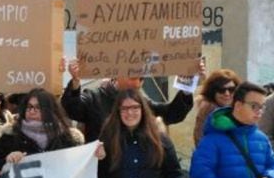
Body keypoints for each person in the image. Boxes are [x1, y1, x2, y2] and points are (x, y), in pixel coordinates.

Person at [61, 58, 200, 142]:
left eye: (142, 79)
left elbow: (171, 114)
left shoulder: (143, 102)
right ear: (118, 74)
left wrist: (186, 86)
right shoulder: (95, 97)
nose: (138, 83)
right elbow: (72, 109)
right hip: (103, 172)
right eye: (134, 77)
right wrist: (75, 81)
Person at [193, 69, 241, 145]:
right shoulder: (208, 110)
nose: (227, 94)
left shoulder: (239, 109)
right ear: (212, 91)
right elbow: (200, 140)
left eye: (231, 89)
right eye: (221, 90)